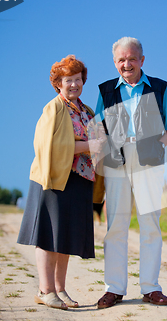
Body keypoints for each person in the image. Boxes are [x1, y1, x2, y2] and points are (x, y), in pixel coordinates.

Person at [95, 37, 167, 309]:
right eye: (121, 60)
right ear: (115, 63)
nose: (127, 64)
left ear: (142, 60)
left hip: (149, 162)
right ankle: (114, 288)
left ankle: (150, 288)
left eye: (132, 59)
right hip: (116, 161)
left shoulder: (159, 88)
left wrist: (156, 148)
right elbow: (97, 128)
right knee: (115, 226)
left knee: (150, 225)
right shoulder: (106, 90)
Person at [17, 55, 105, 310]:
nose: (74, 85)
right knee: (48, 236)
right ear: (58, 83)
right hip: (53, 180)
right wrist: (88, 145)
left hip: (79, 181)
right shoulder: (53, 108)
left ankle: (60, 290)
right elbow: (47, 146)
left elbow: (99, 142)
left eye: (78, 79)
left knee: (64, 238)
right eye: (69, 80)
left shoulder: (86, 111)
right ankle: (46, 290)